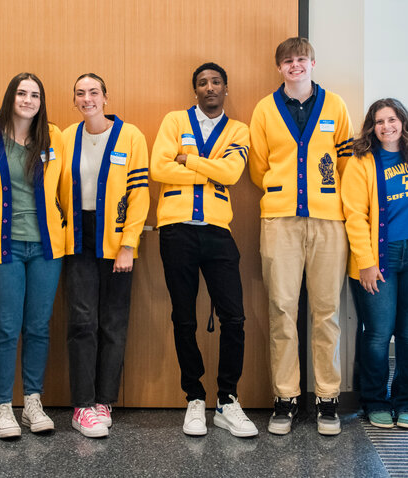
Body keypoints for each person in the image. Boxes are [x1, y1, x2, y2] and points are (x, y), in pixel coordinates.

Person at [248, 37, 354, 436]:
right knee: (281, 310)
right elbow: (259, 167)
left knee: (326, 312)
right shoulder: (264, 109)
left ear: (313, 63)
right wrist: (284, 193)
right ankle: (286, 398)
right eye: (287, 61)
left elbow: (345, 162)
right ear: (280, 68)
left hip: (329, 221)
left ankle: (328, 398)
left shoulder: (336, 106)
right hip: (279, 219)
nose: (295, 66)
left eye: (301, 59)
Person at [149, 62, 257, 438]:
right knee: (184, 317)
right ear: (195, 90)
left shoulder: (239, 129)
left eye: (215, 82)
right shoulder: (175, 121)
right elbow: (158, 168)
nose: (209, 87)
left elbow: (232, 175)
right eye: (202, 83)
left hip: (217, 231)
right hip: (176, 231)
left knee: (235, 318)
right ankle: (194, 397)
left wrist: (188, 159)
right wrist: (209, 168)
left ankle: (227, 400)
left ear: (226, 88)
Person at [0, 73, 67, 439]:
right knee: (5, 328)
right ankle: (3, 407)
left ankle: (33, 403)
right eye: (21, 93)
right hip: (1, 246)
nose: (27, 99)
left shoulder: (54, 137)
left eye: (35, 94)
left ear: (42, 101)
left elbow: (65, 188)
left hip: (46, 247)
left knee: (38, 327)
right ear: (10, 97)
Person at [61, 73, 149, 438]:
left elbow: (140, 194)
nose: (87, 99)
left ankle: (104, 401)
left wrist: (129, 244)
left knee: (113, 323)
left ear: (106, 98)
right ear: (75, 100)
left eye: (93, 92)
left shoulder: (131, 136)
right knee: (82, 323)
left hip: (116, 242)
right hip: (77, 238)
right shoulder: (65, 137)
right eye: (80, 93)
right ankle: (82, 405)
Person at [342, 98, 408, 430]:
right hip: (379, 258)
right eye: (379, 121)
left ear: (403, 122)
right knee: (378, 334)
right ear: (372, 127)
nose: (386, 126)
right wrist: (366, 263)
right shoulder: (361, 162)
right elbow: (354, 216)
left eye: (392, 119)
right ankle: (375, 401)